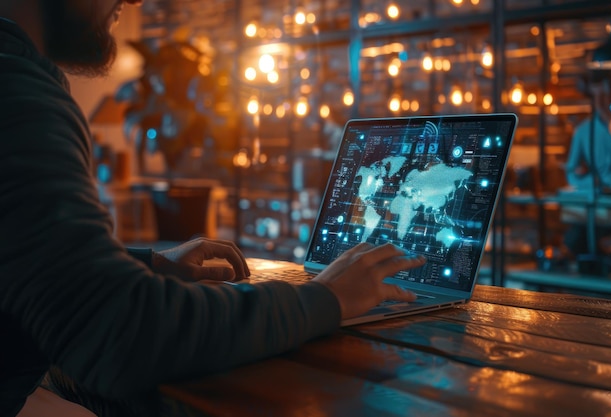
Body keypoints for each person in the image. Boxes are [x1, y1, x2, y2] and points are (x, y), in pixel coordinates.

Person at [0, 1, 427, 416]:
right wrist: (325, 298)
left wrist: (146, 267)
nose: (135, 0)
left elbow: (20, 262)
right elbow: (121, 334)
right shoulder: (19, 94)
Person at [562, 70, 611, 256]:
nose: (603, 99)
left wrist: (610, 124)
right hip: (600, 203)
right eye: (598, 94)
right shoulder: (583, 131)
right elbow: (571, 172)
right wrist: (592, 182)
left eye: (606, 94)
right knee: (576, 240)